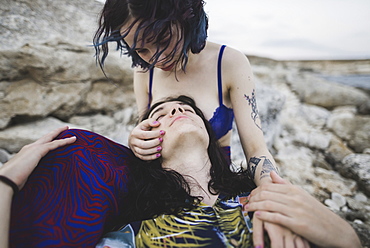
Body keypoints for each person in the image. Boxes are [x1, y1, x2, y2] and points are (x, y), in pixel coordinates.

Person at [1, 96, 361, 248]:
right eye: (160, 116)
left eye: (184, 109)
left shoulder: (266, 200)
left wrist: (348, 238)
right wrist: (6, 182)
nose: (175, 111)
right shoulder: (133, 234)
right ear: (145, 148)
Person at [93, 1, 283, 245]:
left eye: (162, 38)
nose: (156, 58)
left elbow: (256, 150)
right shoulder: (144, 72)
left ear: (185, 17)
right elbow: (148, 124)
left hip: (220, 185)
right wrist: (137, 139)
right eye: (141, 50)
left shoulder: (229, 62)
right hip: (164, 196)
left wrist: (277, 200)